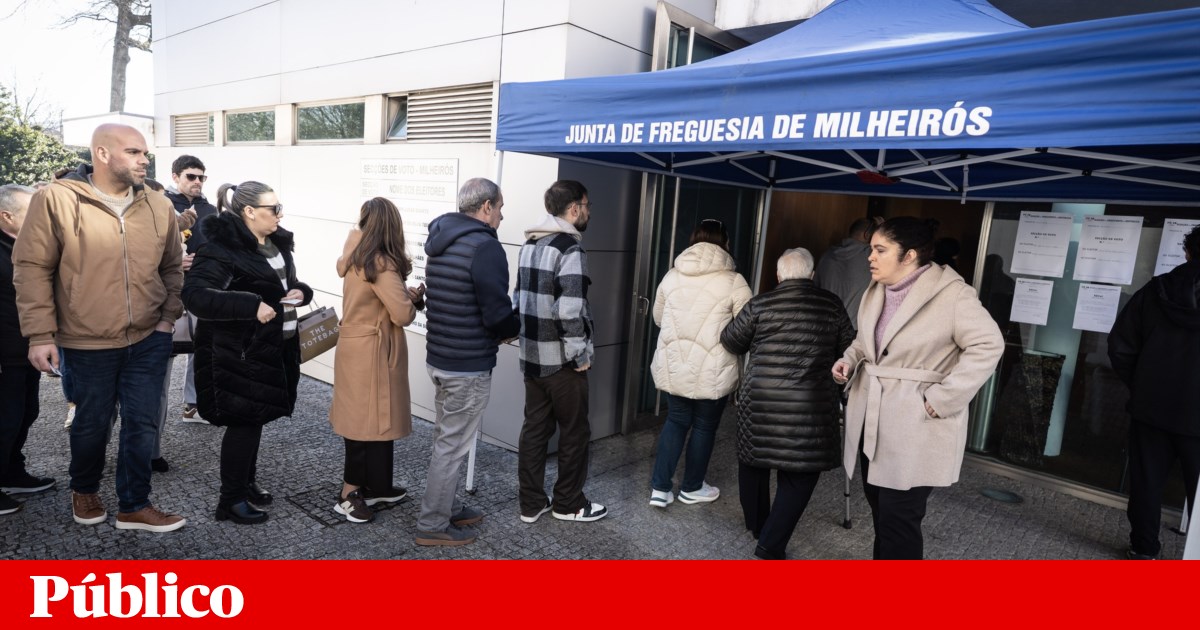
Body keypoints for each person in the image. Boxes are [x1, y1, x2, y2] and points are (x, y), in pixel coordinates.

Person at [13, 124, 186, 532]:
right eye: (134, 152)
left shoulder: (159, 205)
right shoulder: (56, 199)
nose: (145, 159)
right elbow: (32, 268)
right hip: (85, 341)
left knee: (144, 424)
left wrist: (166, 319)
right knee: (92, 424)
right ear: (103, 154)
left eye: (145, 152)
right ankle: (85, 489)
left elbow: (173, 267)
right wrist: (40, 334)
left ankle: (134, 504)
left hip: (147, 338)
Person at [831, 217, 1002, 559]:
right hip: (873, 421)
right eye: (871, 249)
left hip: (914, 424)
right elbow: (868, 342)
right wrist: (850, 359)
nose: (871, 257)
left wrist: (942, 399)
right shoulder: (878, 288)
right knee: (881, 510)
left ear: (908, 256)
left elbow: (989, 345)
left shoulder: (953, 294)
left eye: (880, 250)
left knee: (899, 519)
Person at [182, 181, 311, 525]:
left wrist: (301, 292)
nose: (280, 214)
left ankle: (246, 484)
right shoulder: (221, 248)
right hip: (236, 352)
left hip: (274, 346)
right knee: (244, 424)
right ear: (250, 212)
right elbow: (195, 296)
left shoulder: (277, 243)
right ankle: (230, 500)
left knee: (257, 420)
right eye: (274, 209)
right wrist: (250, 304)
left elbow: (286, 284)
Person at [721, 248, 854, 559]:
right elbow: (849, 348)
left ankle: (758, 525)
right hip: (811, 405)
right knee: (800, 475)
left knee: (754, 463)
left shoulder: (760, 304)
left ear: (778, 276)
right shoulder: (831, 305)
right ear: (811, 276)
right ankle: (770, 543)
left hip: (761, 401)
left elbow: (731, 340)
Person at [416, 178, 518, 545]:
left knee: (445, 438)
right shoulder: (484, 247)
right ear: (486, 206)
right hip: (467, 364)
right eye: (500, 209)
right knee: (452, 445)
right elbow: (496, 312)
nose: (502, 217)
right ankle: (432, 524)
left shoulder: (440, 240)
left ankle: (445, 506)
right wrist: (512, 326)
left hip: (440, 357)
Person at [514, 179, 607, 523]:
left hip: (532, 358)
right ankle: (568, 503)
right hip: (563, 363)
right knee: (574, 432)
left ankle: (531, 503)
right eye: (587, 205)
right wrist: (579, 356)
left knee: (535, 430)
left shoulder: (529, 244)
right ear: (574, 209)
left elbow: (517, 299)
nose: (588, 211)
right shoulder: (570, 249)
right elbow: (568, 310)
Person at [328, 197, 423, 525]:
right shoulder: (381, 263)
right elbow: (402, 314)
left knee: (370, 420)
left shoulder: (356, 254)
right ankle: (348, 494)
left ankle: (378, 486)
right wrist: (414, 301)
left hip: (356, 346)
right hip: (373, 353)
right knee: (365, 423)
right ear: (392, 227)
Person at [1108, 225, 1200, 560]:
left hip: (1152, 408)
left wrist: (1144, 384)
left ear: (1188, 252)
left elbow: (1120, 347)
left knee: (1147, 483)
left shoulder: (1155, 291)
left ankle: (1144, 549)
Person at [647, 219, 751, 508]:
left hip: (675, 364)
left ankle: (660, 488)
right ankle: (691, 487)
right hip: (714, 368)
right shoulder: (734, 281)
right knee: (704, 426)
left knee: (675, 420)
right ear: (725, 243)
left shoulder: (671, 276)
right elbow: (747, 327)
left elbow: (658, 318)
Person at [1, 185, 56, 515]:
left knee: (25, 413)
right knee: (4, 419)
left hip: (24, 350)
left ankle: (11, 471)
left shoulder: (27, 245)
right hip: (4, 353)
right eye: (31, 212)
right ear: (6, 216)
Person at [166, 155, 218, 424]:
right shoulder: (159, 204)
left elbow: (218, 246)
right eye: (191, 176)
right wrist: (175, 261)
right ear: (175, 176)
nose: (197, 181)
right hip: (166, 287)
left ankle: (194, 406)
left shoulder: (209, 209)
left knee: (202, 345)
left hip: (202, 286)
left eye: (201, 177)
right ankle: (153, 414)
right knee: (166, 347)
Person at [815, 217, 875, 327]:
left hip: (826, 324)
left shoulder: (827, 255)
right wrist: (884, 227)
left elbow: (815, 287)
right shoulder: (871, 257)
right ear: (867, 235)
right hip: (853, 328)